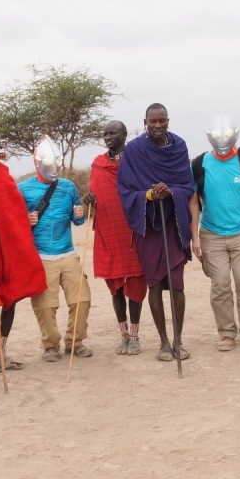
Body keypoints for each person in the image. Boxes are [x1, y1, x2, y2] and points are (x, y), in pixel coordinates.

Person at [117, 103, 194, 362]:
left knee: (177, 285)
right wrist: (150, 194)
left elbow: (186, 185)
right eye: (153, 122)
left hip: (173, 223)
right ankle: (163, 342)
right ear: (145, 122)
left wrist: (171, 191)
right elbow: (126, 189)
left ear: (168, 121)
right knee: (156, 284)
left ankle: (178, 340)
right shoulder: (135, 150)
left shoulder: (179, 146)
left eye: (162, 121)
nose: (158, 126)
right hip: (150, 226)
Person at [0, 124, 47, 372]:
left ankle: (0, 353)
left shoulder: (3, 170)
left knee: (12, 297)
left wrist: (25, 220)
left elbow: (10, 206)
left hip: (12, 240)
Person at [189, 114, 240, 351]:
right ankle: (226, 333)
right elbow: (193, 202)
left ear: (235, 135)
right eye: (216, 137)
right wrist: (195, 236)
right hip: (211, 234)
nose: (222, 141)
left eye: (226, 136)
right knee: (220, 285)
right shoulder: (199, 165)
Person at [18, 135, 93, 362]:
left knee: (82, 298)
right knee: (45, 305)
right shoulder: (23, 189)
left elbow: (77, 218)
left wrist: (79, 215)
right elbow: (15, 224)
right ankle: (50, 345)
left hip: (67, 252)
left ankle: (75, 342)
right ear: (37, 162)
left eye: (56, 163)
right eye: (49, 163)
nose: (54, 168)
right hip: (40, 255)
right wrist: (25, 220)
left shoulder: (68, 186)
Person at [82, 120, 147, 355]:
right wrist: (88, 199)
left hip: (132, 230)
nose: (108, 137)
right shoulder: (98, 165)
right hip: (108, 230)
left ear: (124, 135)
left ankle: (136, 335)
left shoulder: (136, 159)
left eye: (113, 133)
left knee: (136, 282)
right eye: (105, 134)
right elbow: (94, 195)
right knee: (116, 285)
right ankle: (124, 335)